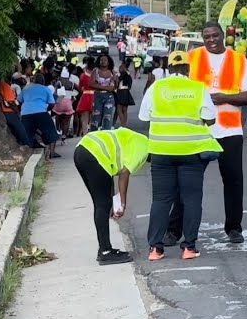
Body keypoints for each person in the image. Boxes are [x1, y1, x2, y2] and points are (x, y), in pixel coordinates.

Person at [162, 22, 247, 246]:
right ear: (202, 38)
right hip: (197, 130)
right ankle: (174, 230)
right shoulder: (192, 57)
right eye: (206, 36)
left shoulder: (238, 59)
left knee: (234, 181)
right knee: (187, 182)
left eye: (215, 35)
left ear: (223, 35)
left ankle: (234, 228)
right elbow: (176, 88)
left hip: (229, 131)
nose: (211, 39)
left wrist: (223, 98)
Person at [140, 51, 222, 261]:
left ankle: (155, 249)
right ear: (188, 68)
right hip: (191, 152)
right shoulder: (197, 88)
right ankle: (189, 247)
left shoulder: (156, 88)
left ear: (169, 68)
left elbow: (144, 116)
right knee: (192, 199)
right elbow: (210, 119)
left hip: (161, 152)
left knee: (161, 200)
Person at [73, 128, 149, 265]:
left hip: (82, 149)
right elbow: (124, 173)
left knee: (101, 203)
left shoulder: (137, 137)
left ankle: (105, 249)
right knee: (102, 205)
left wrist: (113, 200)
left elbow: (110, 170)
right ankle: (105, 252)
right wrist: (122, 203)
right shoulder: (144, 148)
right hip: (94, 155)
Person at [19, 72, 62, 159]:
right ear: (43, 81)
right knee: (51, 131)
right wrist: (47, 109)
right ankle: (52, 153)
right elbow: (52, 103)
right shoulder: (45, 89)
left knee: (28, 134)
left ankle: (28, 151)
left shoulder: (26, 89)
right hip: (41, 112)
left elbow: (19, 101)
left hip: (26, 114)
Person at [0, 75, 31, 147]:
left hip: (6, 110)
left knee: (15, 128)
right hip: (9, 111)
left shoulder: (2, 84)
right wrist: (16, 110)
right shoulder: (6, 86)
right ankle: (27, 143)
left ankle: (21, 142)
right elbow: (11, 101)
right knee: (19, 127)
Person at [90, 54, 118, 131]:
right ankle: (94, 135)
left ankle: (106, 134)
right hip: (98, 96)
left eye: (105, 60)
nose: (103, 62)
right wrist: (105, 87)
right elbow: (91, 84)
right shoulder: (95, 71)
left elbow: (115, 86)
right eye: (101, 60)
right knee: (96, 117)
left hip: (109, 97)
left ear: (108, 62)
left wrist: (115, 82)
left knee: (108, 117)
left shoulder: (112, 72)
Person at [75, 61, 95, 137]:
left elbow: (80, 87)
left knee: (84, 118)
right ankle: (92, 133)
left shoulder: (83, 76)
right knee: (94, 117)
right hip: (94, 96)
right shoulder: (96, 75)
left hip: (85, 96)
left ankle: (85, 134)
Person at [115, 59, 135, 129]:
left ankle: (122, 123)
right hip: (126, 91)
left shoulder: (123, 74)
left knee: (119, 109)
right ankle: (124, 124)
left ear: (123, 66)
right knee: (125, 110)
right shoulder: (128, 73)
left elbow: (118, 81)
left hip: (120, 91)